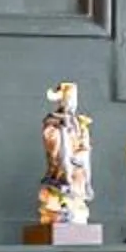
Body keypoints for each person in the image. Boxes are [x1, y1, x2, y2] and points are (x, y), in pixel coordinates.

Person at [38, 80, 93, 225]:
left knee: (84, 161)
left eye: (73, 100)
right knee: (65, 155)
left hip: (76, 156)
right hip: (62, 154)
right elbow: (50, 136)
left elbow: (84, 143)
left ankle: (86, 185)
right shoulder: (53, 119)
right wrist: (62, 129)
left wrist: (82, 150)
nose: (71, 104)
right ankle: (65, 181)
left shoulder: (78, 122)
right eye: (68, 100)